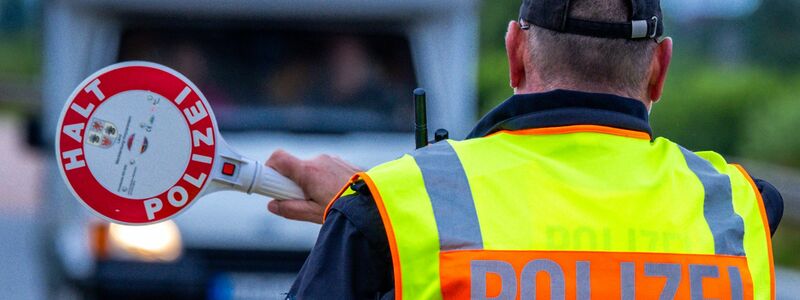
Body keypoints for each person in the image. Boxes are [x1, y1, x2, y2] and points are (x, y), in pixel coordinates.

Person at [265, 0, 784, 298]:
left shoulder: (394, 207)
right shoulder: (738, 207)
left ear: (514, 53)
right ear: (661, 68)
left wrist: (367, 213)